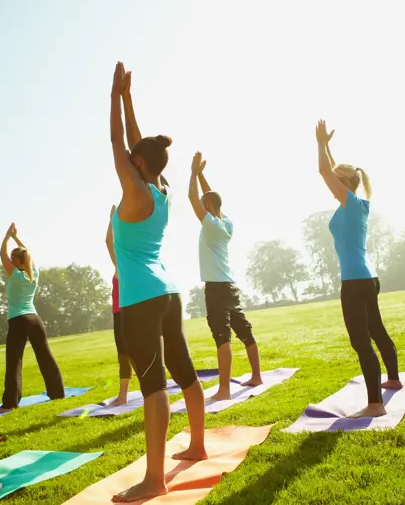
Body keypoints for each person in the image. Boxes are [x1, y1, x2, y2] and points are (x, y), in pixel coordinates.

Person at [109, 62, 207, 503]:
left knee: (153, 386)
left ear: (139, 163)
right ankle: (199, 444)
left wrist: (113, 97)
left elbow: (118, 142)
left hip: (141, 297)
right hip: (168, 292)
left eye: (135, 156)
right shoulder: (160, 187)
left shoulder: (134, 188)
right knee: (183, 369)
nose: (129, 157)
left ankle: (154, 479)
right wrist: (129, 98)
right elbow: (135, 143)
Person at [315, 119, 401, 419]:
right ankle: (393, 378)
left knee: (360, 341)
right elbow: (337, 172)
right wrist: (327, 146)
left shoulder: (350, 203)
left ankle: (375, 403)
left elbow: (327, 172)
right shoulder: (355, 202)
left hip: (355, 280)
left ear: (344, 184)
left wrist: (319, 144)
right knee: (375, 329)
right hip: (367, 277)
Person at [187, 152, 262, 401]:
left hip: (216, 288)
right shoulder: (226, 223)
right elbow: (211, 198)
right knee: (244, 330)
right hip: (229, 286)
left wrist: (191, 172)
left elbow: (192, 198)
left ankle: (224, 390)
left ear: (207, 207)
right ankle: (256, 376)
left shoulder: (210, 224)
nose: (200, 202)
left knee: (222, 336)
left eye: (203, 202)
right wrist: (201, 174)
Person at [0, 223, 65, 414]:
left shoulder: (17, 275)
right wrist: (17, 239)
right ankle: (58, 392)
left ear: (17, 260)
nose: (9, 260)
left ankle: (10, 403)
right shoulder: (34, 273)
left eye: (12, 258)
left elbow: (1, 255)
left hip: (19, 320)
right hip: (34, 319)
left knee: (14, 361)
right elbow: (28, 254)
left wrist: (7, 237)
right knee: (45, 357)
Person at [105, 205, 132, 406]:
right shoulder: (120, 265)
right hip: (119, 314)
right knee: (124, 354)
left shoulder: (126, 265)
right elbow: (108, 241)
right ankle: (123, 395)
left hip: (128, 314)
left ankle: (125, 395)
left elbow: (108, 241)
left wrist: (114, 219)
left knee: (130, 353)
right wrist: (112, 219)